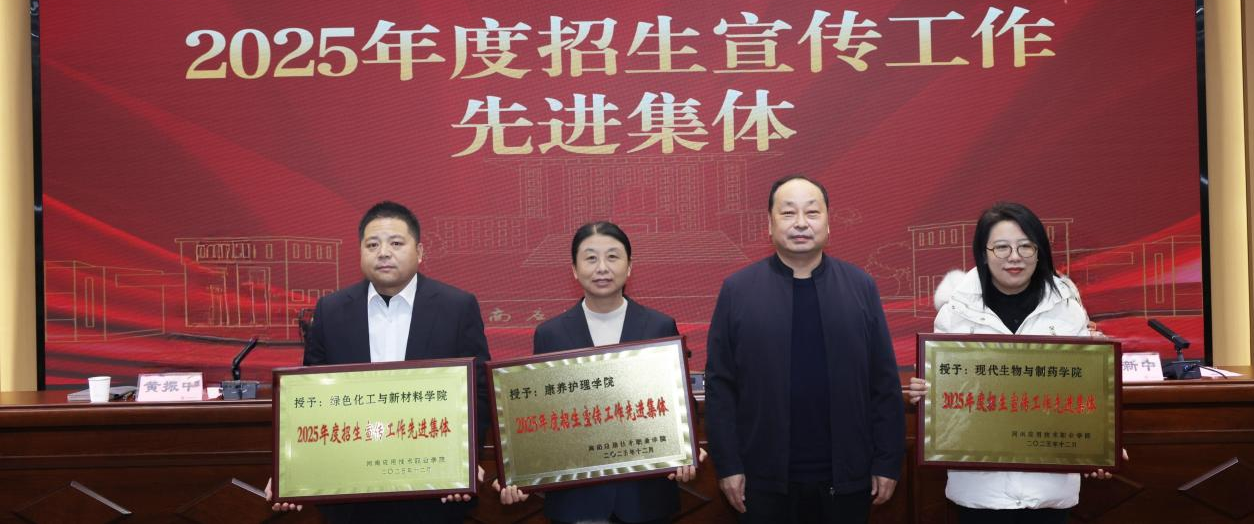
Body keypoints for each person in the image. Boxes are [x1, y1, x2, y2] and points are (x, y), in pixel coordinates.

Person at [268, 200, 492, 523]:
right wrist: (292, 468)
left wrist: (464, 460)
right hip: (352, 492)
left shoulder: (457, 307)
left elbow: (478, 391)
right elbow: (311, 398)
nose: (383, 253)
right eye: (372, 245)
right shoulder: (331, 311)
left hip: (433, 489)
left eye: (396, 243)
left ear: (420, 251)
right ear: (360, 253)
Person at [705, 175, 905, 523]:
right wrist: (729, 465)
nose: (800, 223)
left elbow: (883, 382)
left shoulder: (860, 287)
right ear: (770, 224)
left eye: (812, 212)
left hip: (848, 477)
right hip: (762, 480)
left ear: (828, 223)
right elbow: (720, 385)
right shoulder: (738, 290)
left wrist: (888, 461)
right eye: (788, 213)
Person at [908, 201, 1121, 524]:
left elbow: (1087, 391)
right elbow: (945, 398)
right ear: (983, 253)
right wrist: (925, 393)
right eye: (1002, 247)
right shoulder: (955, 313)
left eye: (1025, 246)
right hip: (979, 492)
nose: (1014, 257)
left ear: (1039, 252)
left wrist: (1102, 443)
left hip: (1049, 491)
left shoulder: (1068, 309)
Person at [497, 221, 702, 523]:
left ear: (630, 267)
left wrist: (688, 449)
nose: (602, 268)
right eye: (591, 258)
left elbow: (679, 402)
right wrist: (518, 473)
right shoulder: (551, 334)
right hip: (577, 502)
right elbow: (538, 416)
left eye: (613, 257)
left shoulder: (658, 326)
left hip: (644, 498)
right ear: (574, 269)